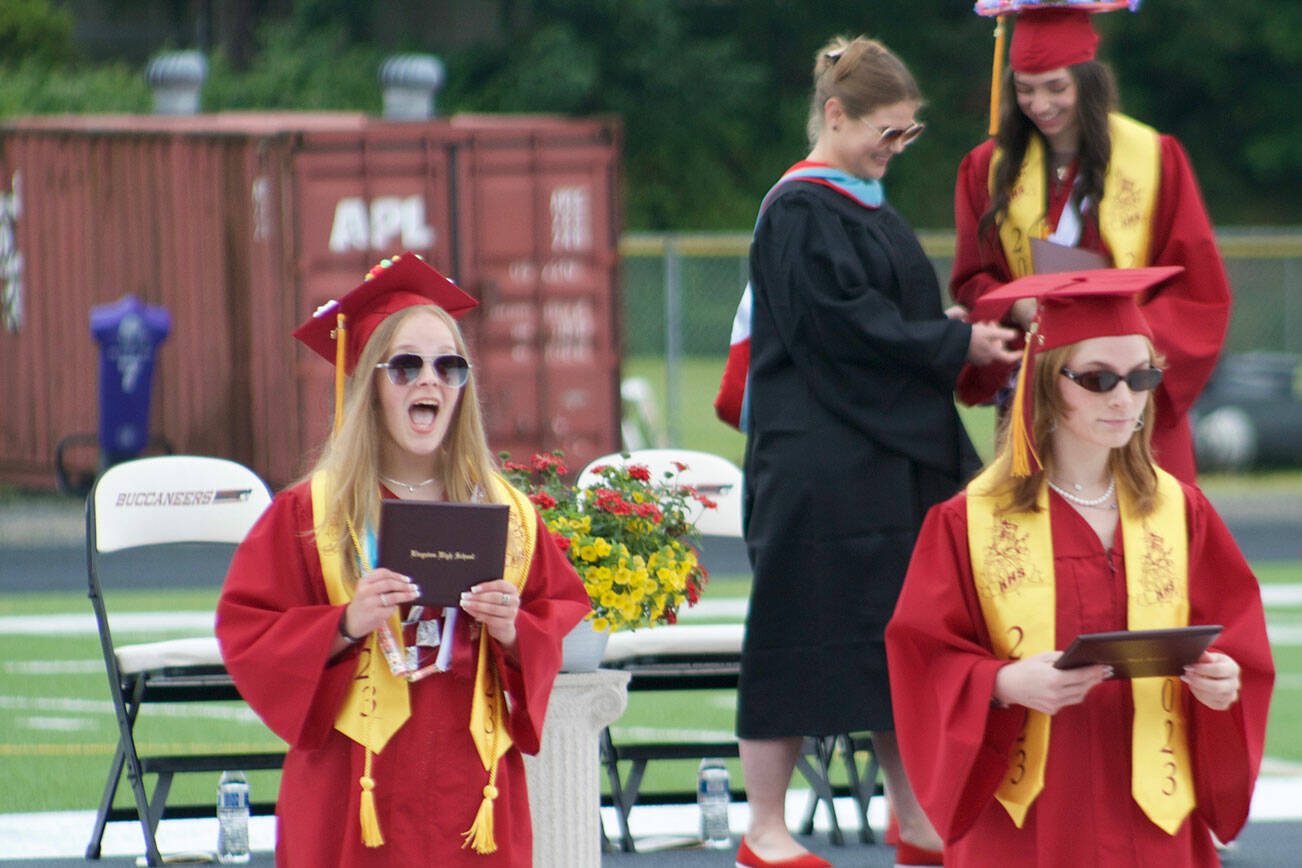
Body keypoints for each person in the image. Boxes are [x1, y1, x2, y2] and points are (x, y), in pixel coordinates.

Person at [734, 34, 1021, 868]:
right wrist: (948, 346)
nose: (894, 149)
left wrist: (954, 335)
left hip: (881, 459)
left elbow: (888, 323)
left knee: (900, 642)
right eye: (885, 132)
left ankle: (915, 814)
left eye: (907, 135)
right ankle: (765, 828)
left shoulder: (864, 201)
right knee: (794, 637)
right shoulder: (798, 207)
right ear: (836, 114)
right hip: (817, 467)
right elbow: (842, 331)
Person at [885, 267, 1274, 867]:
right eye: (1098, 379)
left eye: (1142, 376)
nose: (1125, 398)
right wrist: (1001, 683)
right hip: (1026, 820)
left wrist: (1223, 682)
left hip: (1153, 813)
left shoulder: (1181, 512)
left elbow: (1237, 641)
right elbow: (922, 655)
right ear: (1045, 382)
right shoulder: (968, 522)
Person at [215, 252, 591, 867]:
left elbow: (556, 616)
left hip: (475, 794)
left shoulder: (509, 514)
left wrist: (512, 628)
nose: (430, 381)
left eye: (449, 367)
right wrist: (342, 622)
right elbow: (249, 631)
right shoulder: (314, 515)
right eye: (406, 366)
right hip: (357, 784)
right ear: (368, 386)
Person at [950, 1, 1232, 484]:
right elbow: (974, 279)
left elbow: (1198, 292)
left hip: (1132, 402)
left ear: (1090, 81)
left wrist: (1114, 337)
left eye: (1057, 87)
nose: (1040, 105)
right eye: (1025, 89)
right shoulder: (987, 169)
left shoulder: (1155, 160)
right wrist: (1016, 307)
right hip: (1040, 400)